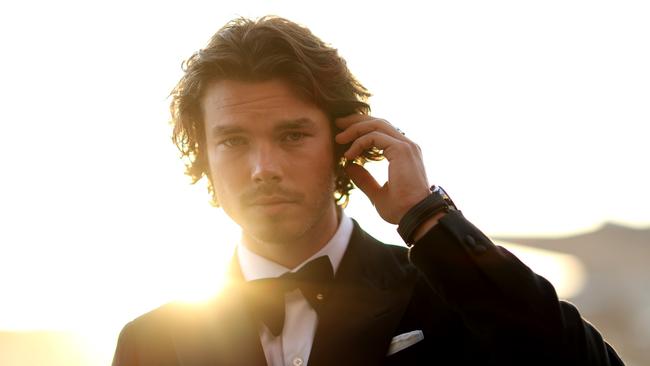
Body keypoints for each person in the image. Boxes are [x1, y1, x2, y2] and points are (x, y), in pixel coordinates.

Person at [112, 16, 624, 366]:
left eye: (292, 135)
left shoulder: (450, 295)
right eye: (233, 141)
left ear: (345, 142)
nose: (263, 167)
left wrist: (428, 219)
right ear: (204, 153)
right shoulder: (152, 341)